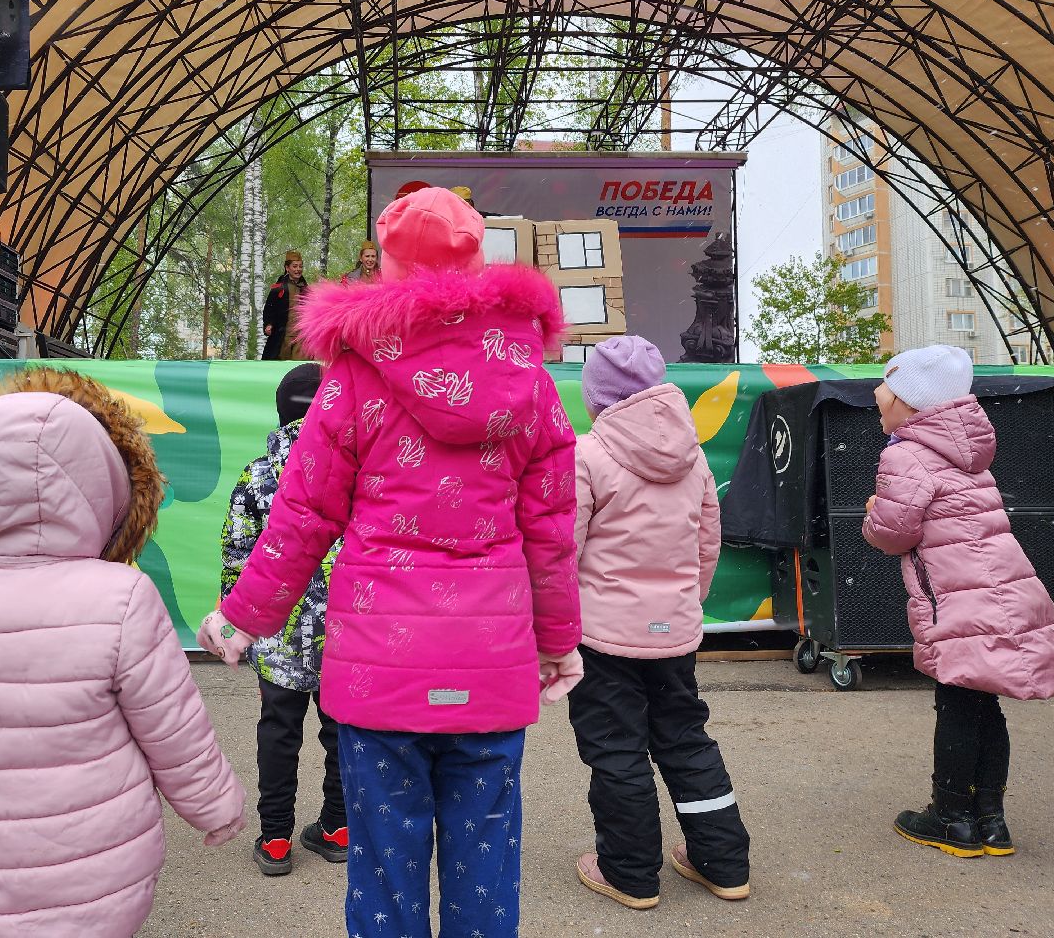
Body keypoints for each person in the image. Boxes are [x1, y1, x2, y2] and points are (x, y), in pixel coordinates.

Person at [198, 186, 584, 938]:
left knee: (383, 868)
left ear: (388, 264)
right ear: (478, 258)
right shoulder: (530, 383)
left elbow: (303, 514)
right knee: (486, 867)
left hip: (378, 670)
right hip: (491, 664)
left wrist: (244, 617)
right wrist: (560, 640)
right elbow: (551, 526)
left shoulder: (353, 378)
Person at [0, 368, 246, 936]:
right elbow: (172, 728)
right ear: (100, 485)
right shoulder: (121, 599)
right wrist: (214, 806)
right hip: (96, 873)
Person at [863, 345, 1054, 858]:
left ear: (910, 404)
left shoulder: (904, 454)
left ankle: (949, 817)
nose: (880, 403)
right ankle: (991, 820)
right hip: (997, 589)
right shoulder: (965, 449)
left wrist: (874, 512)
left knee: (958, 699)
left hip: (958, 596)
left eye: (887, 395)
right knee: (985, 704)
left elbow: (895, 533)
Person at [568, 336, 750, 911]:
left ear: (597, 398)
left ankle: (629, 872)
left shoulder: (585, 455)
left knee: (616, 751)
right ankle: (723, 863)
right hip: (674, 632)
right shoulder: (693, 456)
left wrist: (553, 623)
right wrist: (683, 607)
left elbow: (561, 550)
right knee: (686, 741)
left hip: (601, 638)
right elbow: (706, 544)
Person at [221, 362, 348, 876]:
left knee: (278, 732)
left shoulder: (258, 473)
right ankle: (337, 827)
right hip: (345, 635)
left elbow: (236, 553)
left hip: (277, 637)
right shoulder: (355, 472)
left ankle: (275, 839)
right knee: (342, 732)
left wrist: (240, 631)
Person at [262, 250, 310, 360]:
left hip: (301, 338)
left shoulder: (306, 289)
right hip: (282, 337)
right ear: (287, 268)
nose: (298, 269)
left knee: (300, 367)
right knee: (279, 365)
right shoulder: (278, 288)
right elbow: (269, 308)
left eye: (300, 266)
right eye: (295, 266)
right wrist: (268, 324)